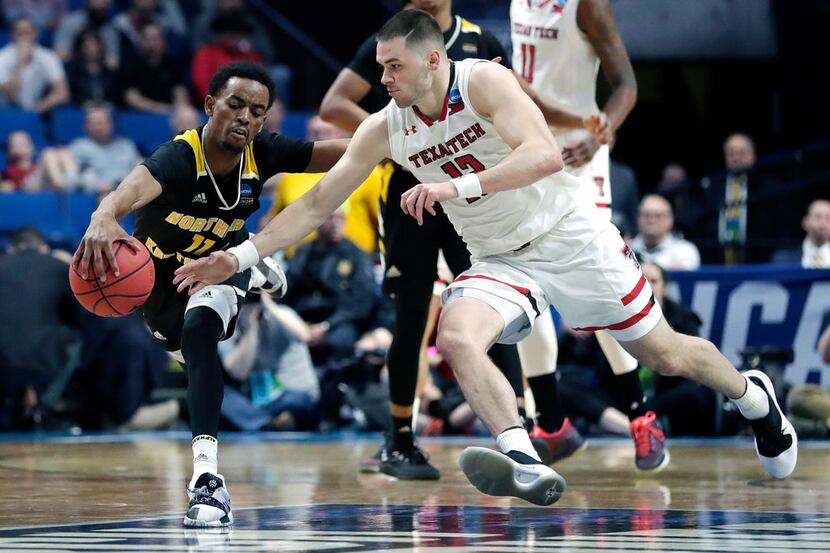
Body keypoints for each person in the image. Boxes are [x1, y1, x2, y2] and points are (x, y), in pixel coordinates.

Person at [175, 10, 798, 505]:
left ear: (432, 60)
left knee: (663, 354)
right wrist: (240, 255)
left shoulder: (484, 80)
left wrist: (453, 187)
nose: (384, 80)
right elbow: (314, 208)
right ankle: (521, 455)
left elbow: (546, 155)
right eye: (381, 68)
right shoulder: (385, 127)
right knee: (458, 332)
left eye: (394, 68)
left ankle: (753, 398)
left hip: (571, 236)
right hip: (502, 257)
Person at [319, 0, 593, 481]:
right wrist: (393, 133)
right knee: (412, 314)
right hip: (412, 194)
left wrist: (576, 120)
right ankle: (400, 439)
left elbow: (523, 101)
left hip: (472, 193)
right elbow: (333, 105)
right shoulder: (388, 46)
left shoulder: (477, 47)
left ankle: (518, 430)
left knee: (493, 304)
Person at [72, 61, 349, 527]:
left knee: (202, 337)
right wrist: (104, 214)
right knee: (183, 344)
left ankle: (206, 480)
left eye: (257, 111)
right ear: (210, 105)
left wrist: (394, 141)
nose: (245, 117)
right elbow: (129, 190)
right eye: (235, 104)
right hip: (162, 283)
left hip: (219, 267)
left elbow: (335, 154)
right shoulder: (179, 157)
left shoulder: (264, 151)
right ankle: (257, 266)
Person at [510, 0, 668, 470]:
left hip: (579, 152)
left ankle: (642, 416)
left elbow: (626, 86)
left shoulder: (588, 6)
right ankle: (551, 422)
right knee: (526, 279)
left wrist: (599, 134)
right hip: (527, 145)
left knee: (595, 284)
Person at [0, 16, 69, 113]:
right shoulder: (2, 57)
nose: (24, 37)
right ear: (12, 35)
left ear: (36, 34)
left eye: (28, 33)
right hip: (6, 111)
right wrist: (20, 63)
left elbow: (62, 92)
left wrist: (45, 103)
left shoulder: (48, 57)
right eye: (20, 33)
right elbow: (12, 95)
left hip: (34, 111)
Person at [629, 194, 701, 270]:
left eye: (658, 216)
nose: (651, 220)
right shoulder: (625, 248)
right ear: (637, 218)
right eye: (646, 215)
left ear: (670, 219)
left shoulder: (685, 251)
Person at [771, 199, 830, 268]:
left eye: (828, 218)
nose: (822, 224)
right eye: (817, 217)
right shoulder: (782, 258)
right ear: (805, 222)